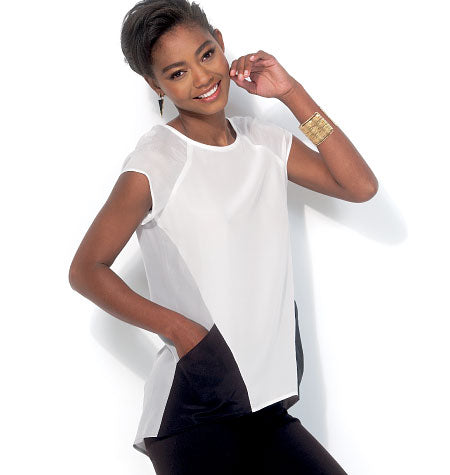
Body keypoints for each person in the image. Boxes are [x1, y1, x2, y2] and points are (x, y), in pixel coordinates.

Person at [69, 0, 378, 473]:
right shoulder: (157, 161)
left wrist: (292, 93)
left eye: (206, 54)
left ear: (220, 41)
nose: (201, 78)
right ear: (155, 85)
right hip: (197, 414)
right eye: (177, 73)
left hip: (266, 407)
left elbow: (360, 186)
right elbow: (86, 270)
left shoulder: (264, 142)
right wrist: (181, 331)